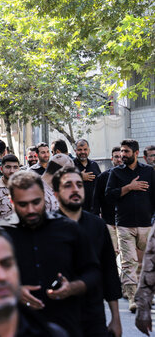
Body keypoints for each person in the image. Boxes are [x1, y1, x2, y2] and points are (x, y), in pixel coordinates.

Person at [0, 171, 100, 337]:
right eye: (23, 204)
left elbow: (93, 271)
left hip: (66, 324)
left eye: (36, 202)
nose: (31, 210)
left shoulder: (69, 229)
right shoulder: (0, 235)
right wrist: (13, 291)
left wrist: (72, 287)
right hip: (17, 325)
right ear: (12, 202)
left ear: (45, 198)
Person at [53, 166, 122, 337]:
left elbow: (109, 271)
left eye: (79, 184)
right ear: (56, 193)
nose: (75, 189)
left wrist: (116, 317)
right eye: (68, 185)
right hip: (59, 315)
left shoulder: (97, 225)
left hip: (93, 313)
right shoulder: (48, 227)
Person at [105, 139, 155, 312]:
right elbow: (109, 195)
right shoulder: (116, 173)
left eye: (126, 152)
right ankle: (133, 299)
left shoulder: (149, 172)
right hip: (124, 224)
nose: (122, 155)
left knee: (146, 262)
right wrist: (129, 187)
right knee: (128, 263)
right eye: (121, 151)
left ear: (136, 153)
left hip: (146, 224)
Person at [92, 147, 122, 254]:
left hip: (126, 223)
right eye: (116, 157)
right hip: (109, 222)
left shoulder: (131, 177)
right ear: (111, 159)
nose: (119, 159)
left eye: (121, 157)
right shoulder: (102, 177)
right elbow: (96, 199)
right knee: (111, 254)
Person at [73, 139, 101, 213]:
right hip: (77, 210)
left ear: (89, 150)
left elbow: (100, 186)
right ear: (75, 151)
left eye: (85, 149)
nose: (83, 152)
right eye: (80, 150)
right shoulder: (70, 165)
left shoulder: (94, 165)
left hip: (94, 210)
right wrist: (79, 177)